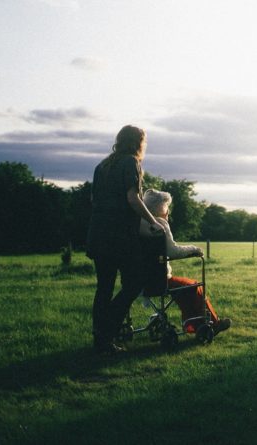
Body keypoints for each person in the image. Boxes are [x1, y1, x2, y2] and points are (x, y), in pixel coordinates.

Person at [86, 125, 164, 354]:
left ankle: (101, 339)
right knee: (134, 283)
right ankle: (107, 329)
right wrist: (153, 221)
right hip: (119, 236)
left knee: (104, 288)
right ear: (138, 142)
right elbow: (133, 198)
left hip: (98, 234)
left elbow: (94, 199)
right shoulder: (131, 162)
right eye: (144, 141)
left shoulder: (103, 165)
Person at [140, 188, 231, 335]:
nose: (168, 211)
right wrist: (195, 249)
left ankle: (193, 324)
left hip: (139, 280)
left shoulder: (138, 224)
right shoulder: (160, 223)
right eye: (167, 207)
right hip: (158, 279)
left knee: (183, 288)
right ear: (160, 208)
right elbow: (173, 251)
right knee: (193, 286)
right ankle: (212, 323)